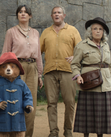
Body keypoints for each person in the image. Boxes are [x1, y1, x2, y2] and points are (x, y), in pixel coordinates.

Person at [71, 17, 111, 137]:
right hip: (89, 83)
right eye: (95, 29)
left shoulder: (106, 46)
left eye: (100, 29)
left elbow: (109, 65)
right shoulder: (82, 46)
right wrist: (78, 76)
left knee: (102, 114)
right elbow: (75, 64)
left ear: (103, 32)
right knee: (87, 114)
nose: (98, 31)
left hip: (105, 84)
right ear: (90, 31)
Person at [40, 6, 82, 137]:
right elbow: (37, 51)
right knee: (51, 103)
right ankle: (53, 132)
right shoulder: (46, 32)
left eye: (59, 12)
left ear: (64, 15)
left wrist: (75, 57)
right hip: (49, 71)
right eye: (54, 13)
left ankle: (68, 131)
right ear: (51, 16)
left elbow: (81, 50)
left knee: (69, 102)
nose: (56, 14)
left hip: (68, 71)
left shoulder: (72, 30)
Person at [1, 5, 43, 137]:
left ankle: (27, 134)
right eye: (20, 12)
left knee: (30, 103)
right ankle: (13, 134)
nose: (23, 14)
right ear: (17, 15)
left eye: (26, 12)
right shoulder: (11, 32)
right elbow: (5, 53)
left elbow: (38, 54)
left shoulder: (36, 33)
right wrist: (4, 73)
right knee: (15, 101)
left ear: (30, 16)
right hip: (16, 68)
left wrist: (40, 75)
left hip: (32, 68)